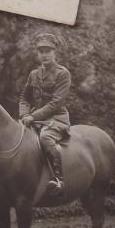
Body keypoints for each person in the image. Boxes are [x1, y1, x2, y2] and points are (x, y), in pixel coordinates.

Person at [18, 33, 71, 194]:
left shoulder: (63, 74)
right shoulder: (34, 74)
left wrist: (32, 117)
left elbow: (56, 103)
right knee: (12, 135)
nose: (44, 54)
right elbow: (24, 98)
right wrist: (24, 115)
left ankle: (58, 179)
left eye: (48, 50)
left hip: (56, 119)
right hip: (32, 118)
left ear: (55, 52)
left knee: (45, 138)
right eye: (41, 51)